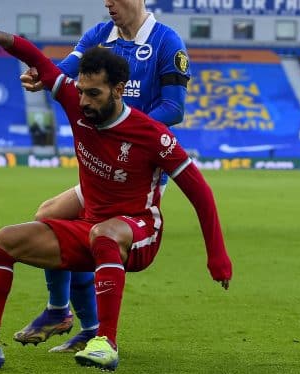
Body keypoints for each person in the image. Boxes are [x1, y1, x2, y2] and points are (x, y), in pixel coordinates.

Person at [0, 16, 231, 371]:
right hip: (92, 227)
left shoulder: (152, 134)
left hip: (139, 231)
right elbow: (40, 62)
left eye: (93, 93)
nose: (83, 101)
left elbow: (200, 192)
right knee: (0, 242)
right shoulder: (75, 103)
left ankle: (105, 342)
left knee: (105, 233)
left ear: (118, 90)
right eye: (81, 91)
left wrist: (216, 257)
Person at [15, 0, 191, 353]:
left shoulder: (166, 42)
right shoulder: (99, 35)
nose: (109, 3)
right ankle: (60, 312)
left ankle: (96, 331)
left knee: (98, 238)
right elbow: (66, 71)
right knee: (47, 216)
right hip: (101, 168)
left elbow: (174, 108)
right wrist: (42, 73)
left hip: (138, 171)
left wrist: (127, 130)